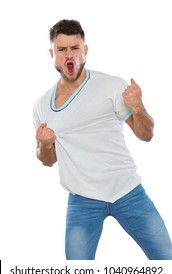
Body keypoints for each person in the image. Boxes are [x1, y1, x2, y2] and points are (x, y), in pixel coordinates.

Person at [33, 19, 172, 260]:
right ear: (52, 53)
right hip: (82, 201)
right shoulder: (41, 106)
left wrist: (138, 109)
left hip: (127, 192)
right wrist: (45, 144)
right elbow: (47, 161)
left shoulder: (111, 85)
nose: (70, 55)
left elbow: (146, 135)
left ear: (85, 50)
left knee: (166, 259)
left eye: (75, 48)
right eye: (62, 49)